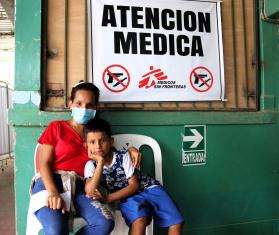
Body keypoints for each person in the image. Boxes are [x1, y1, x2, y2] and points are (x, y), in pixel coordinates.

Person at [29, 81, 141, 235]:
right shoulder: (57, 127)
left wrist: (130, 149)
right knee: (56, 229)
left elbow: (112, 155)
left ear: (96, 108)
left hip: (82, 187)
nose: (84, 109)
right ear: (70, 104)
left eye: (89, 105)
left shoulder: (96, 137)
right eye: (79, 103)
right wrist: (53, 192)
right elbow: (44, 164)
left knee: (104, 223)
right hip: (50, 182)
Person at [83, 118, 184, 235]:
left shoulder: (123, 156)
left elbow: (134, 186)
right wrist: (100, 162)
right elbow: (89, 190)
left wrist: (108, 198)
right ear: (86, 146)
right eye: (92, 142)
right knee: (139, 220)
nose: (98, 146)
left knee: (176, 222)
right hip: (127, 197)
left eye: (103, 140)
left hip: (149, 187)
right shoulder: (90, 165)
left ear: (111, 142)